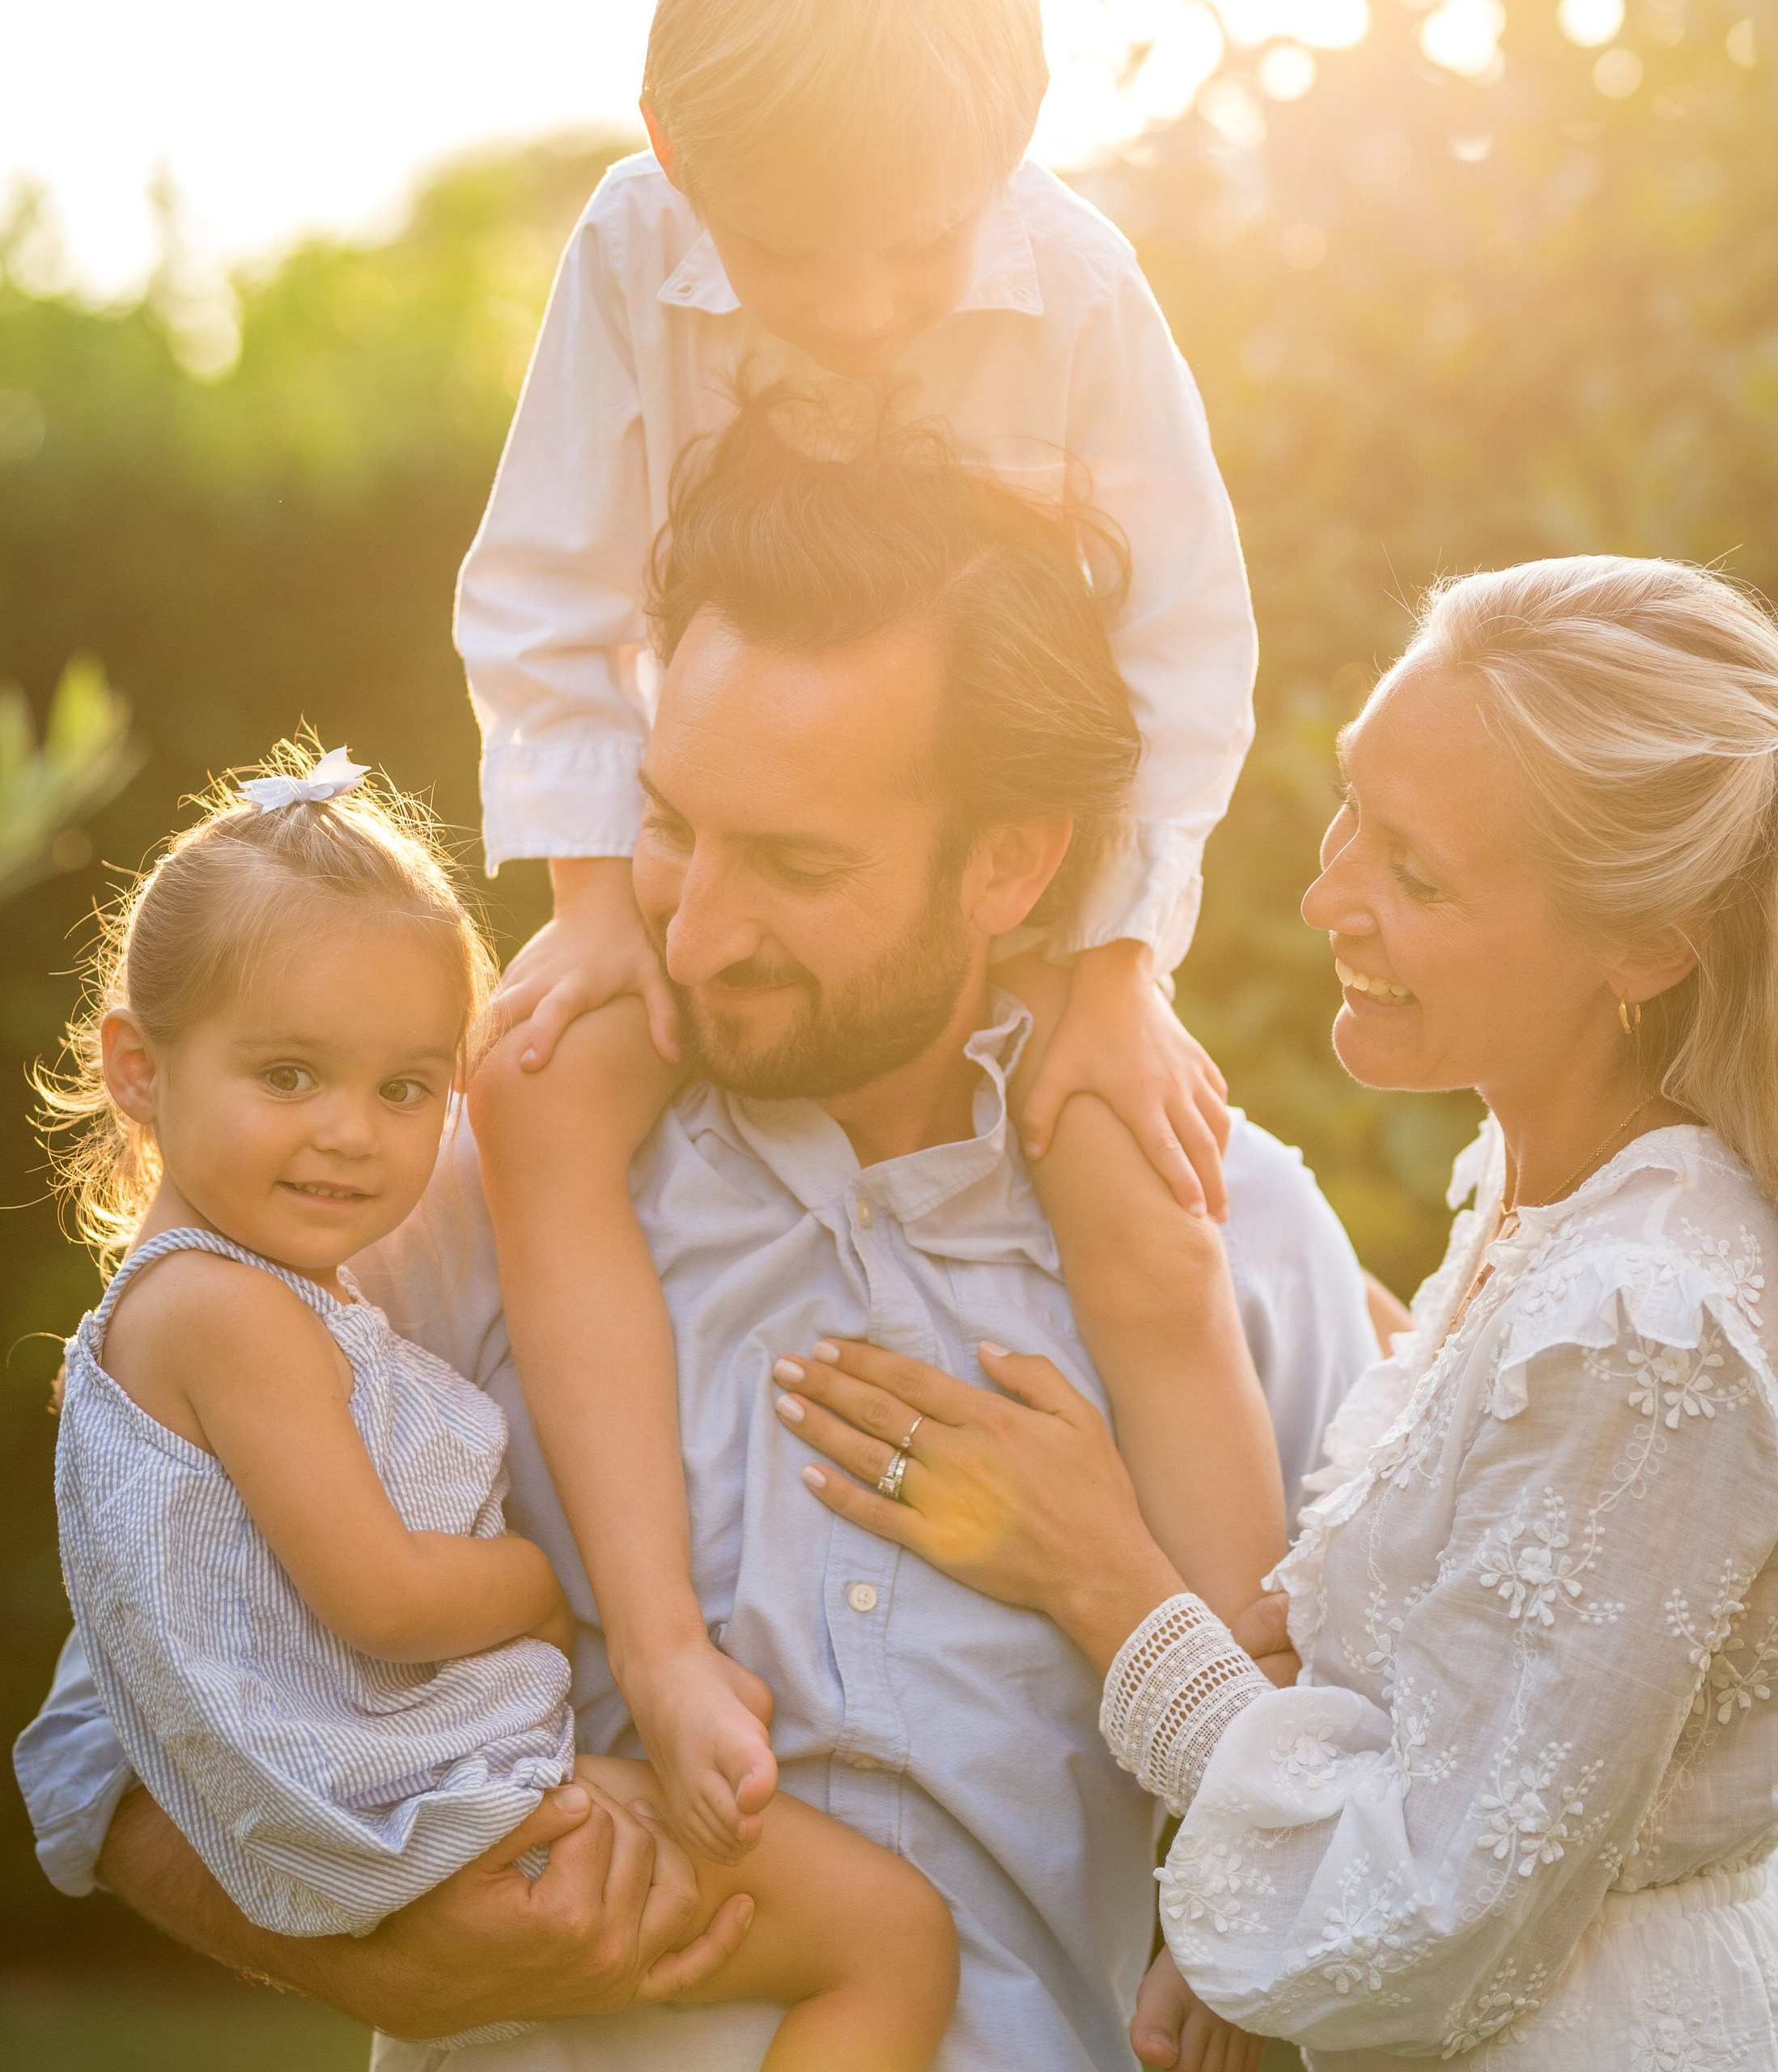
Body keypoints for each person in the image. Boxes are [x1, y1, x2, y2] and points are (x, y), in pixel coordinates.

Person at [16, 440, 1378, 2070]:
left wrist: (1114, 1586)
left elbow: (1420, 1779)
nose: (697, 925)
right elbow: (108, 1733)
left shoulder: (1217, 1227)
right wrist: (388, 1953)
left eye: (794, 863)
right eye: (670, 824)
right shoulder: (429, 1195)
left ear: (1007, 861)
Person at [766, 556, 1778, 2070]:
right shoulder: (1547, 1204)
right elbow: (1461, 1686)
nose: (1328, 896)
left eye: (1420, 874)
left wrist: (1104, 1580)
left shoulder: (1650, 1326)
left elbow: (1427, 1914)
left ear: (1647, 946)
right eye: (1350, 816)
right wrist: (1239, 1918)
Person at [463, 0, 1265, 1873]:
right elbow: (545, 593)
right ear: (670, 140)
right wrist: (595, 902)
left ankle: (1243, 1794)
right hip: (722, 830)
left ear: (1019, 129)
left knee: (1132, 1188)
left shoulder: (1074, 282)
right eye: (792, 257)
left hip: (988, 855)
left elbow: (1185, 645)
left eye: (915, 249)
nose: (858, 304)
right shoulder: (624, 249)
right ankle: (654, 1633)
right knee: (541, 1097)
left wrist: (1112, 973)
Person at [26, 741, 959, 2071]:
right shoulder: (233, 1314)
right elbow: (385, 1598)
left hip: (404, 1809)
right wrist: (533, 1587)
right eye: (289, 1075)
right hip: (432, 1817)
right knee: (892, 1942)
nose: (353, 1131)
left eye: (405, 1088)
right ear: (135, 1067)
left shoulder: (214, 1306)